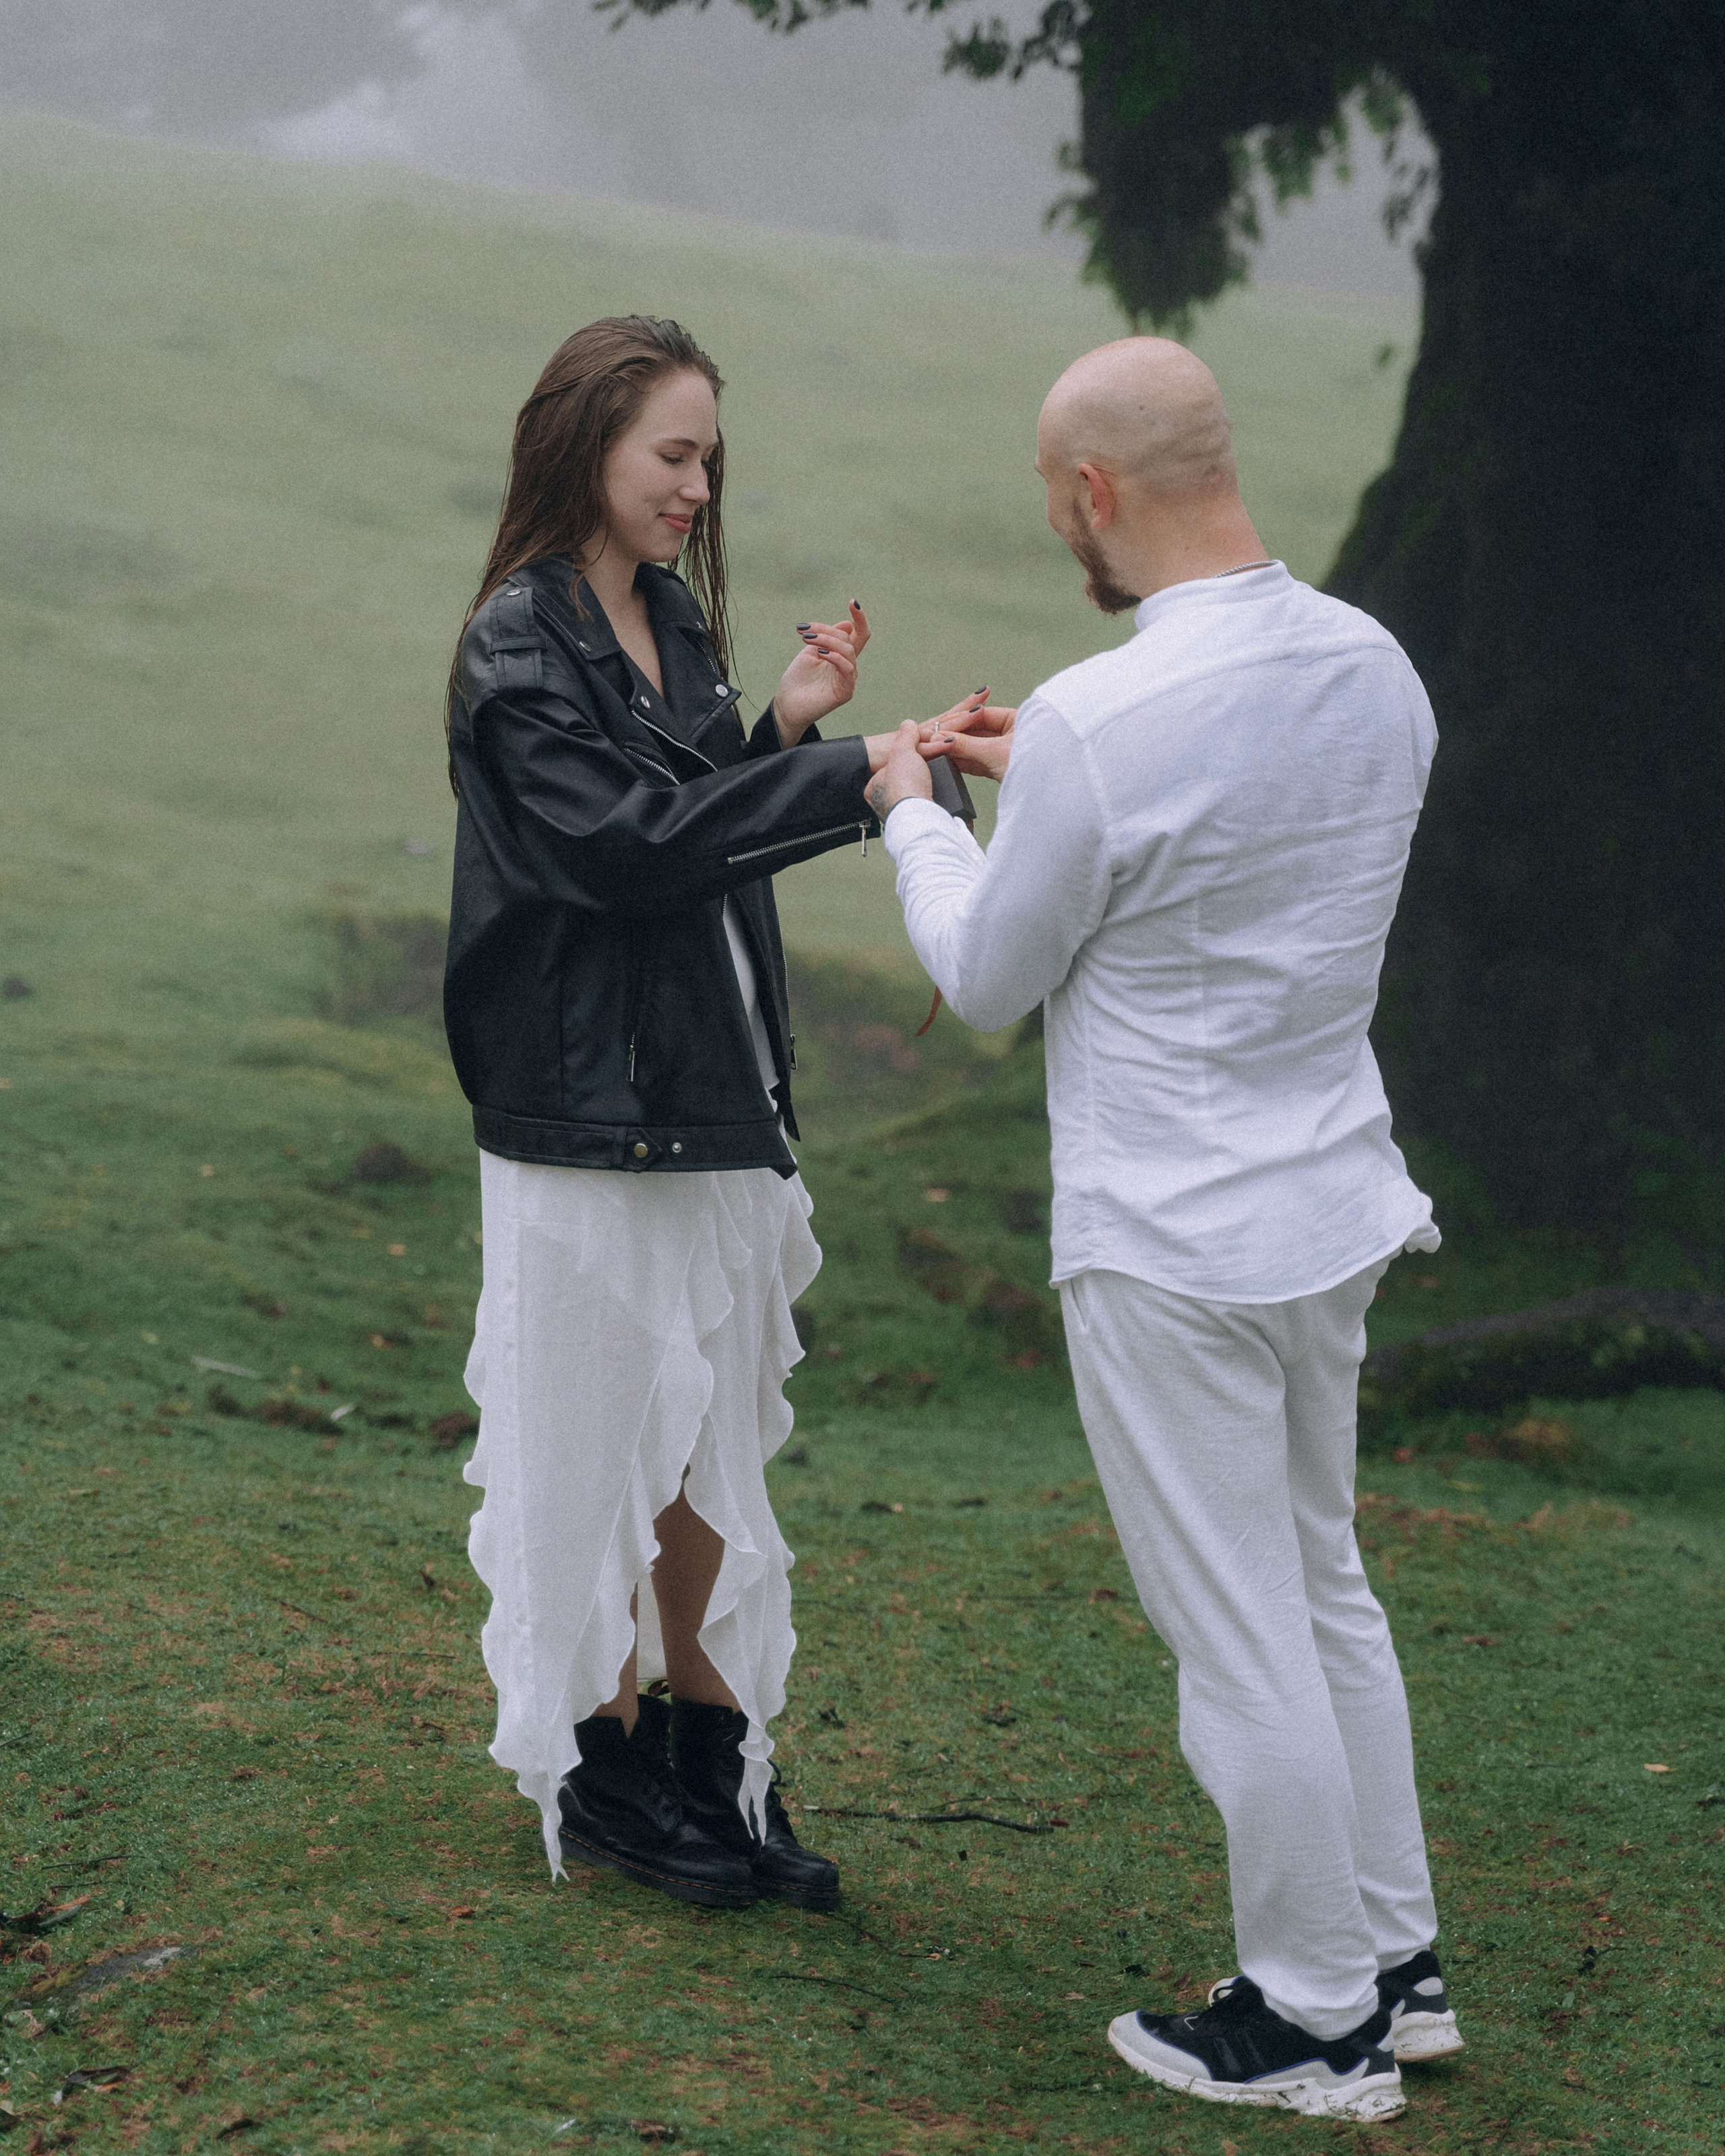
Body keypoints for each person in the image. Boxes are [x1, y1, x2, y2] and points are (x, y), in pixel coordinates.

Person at [868, 338, 1461, 2122]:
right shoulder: (1375, 666)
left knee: (1238, 1631)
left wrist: (916, 813)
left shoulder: (1112, 723)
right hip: (1329, 1202)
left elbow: (985, 976)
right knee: (1322, 1584)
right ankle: (1398, 1964)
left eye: (1062, 507)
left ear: (1093, 495)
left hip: (1172, 1241)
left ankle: (1308, 2015)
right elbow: (1235, 788)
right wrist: (1047, 761)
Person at [443, 314, 974, 1910]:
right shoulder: (517, 642)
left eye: (706, 458)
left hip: (712, 1092)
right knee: (598, 1437)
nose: (695, 485)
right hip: (586, 1116)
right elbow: (620, 846)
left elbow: (692, 819)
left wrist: (788, 731)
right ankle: (608, 1772)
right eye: (672, 453)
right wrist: (853, 778)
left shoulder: (664, 616)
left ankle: (710, 1757)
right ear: (582, 446)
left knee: (704, 1447)